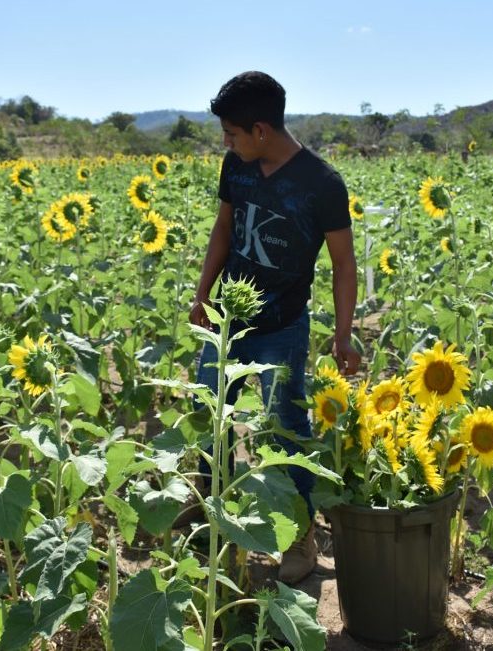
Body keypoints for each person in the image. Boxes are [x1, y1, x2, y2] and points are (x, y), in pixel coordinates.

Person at [189, 71, 361, 584]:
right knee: (208, 418)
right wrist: (203, 293)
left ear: (261, 129)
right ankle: (212, 521)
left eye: (232, 134)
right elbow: (225, 228)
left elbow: (344, 263)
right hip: (229, 324)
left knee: (286, 430)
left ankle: (298, 536)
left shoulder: (322, 183)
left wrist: (344, 333)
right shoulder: (236, 168)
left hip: (282, 327)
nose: (227, 142)